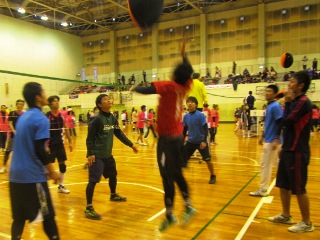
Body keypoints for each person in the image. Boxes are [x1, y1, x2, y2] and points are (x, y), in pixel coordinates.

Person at [130, 44, 196, 232]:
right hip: (172, 138)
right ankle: (174, 212)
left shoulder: (168, 86)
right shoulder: (185, 86)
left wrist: (135, 87)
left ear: (175, 74)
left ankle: (184, 208)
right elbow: (188, 73)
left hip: (169, 139)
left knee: (169, 176)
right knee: (171, 175)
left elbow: (148, 89)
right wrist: (185, 57)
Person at [9, 82, 60, 240]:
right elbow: (39, 150)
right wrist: (52, 172)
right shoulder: (41, 119)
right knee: (48, 216)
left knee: (18, 218)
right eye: (44, 92)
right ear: (38, 98)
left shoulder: (23, 117)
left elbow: (27, 147)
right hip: (31, 177)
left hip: (15, 176)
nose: (46, 96)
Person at [268, 71, 314, 233]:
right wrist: (282, 146)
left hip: (298, 152)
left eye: (293, 81)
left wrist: (287, 104)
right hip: (288, 149)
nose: (289, 84)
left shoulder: (303, 102)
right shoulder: (294, 101)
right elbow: (285, 126)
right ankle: (286, 215)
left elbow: (287, 121)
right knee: (283, 185)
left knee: (299, 188)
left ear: (301, 85)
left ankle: (307, 223)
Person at [84, 94, 138, 220]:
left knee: (113, 174)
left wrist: (131, 144)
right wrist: (90, 153)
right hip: (97, 155)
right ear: (99, 105)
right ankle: (88, 208)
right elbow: (90, 138)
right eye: (105, 99)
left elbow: (119, 133)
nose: (108, 100)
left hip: (107, 155)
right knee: (93, 181)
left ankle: (113, 195)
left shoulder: (112, 117)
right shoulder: (96, 119)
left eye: (109, 98)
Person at [249, 85, 282, 197]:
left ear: (274, 94)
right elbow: (269, 123)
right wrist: (263, 135)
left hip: (272, 141)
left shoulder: (275, 106)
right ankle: (290, 185)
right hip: (269, 139)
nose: (267, 93)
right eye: (266, 90)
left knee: (265, 165)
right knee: (279, 165)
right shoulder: (270, 106)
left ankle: (263, 190)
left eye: (270, 91)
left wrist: (276, 139)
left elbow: (279, 122)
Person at [182, 97, 216, 184]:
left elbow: (205, 129)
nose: (190, 103)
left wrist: (204, 141)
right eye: (188, 102)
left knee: (208, 160)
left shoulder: (200, 115)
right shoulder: (186, 116)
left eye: (192, 102)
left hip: (201, 142)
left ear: (196, 104)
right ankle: (179, 177)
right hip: (190, 142)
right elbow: (184, 129)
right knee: (182, 159)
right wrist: (182, 141)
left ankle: (213, 175)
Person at [47, 95, 73, 194]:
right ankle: (42, 188)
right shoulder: (47, 116)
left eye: (58, 101)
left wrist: (70, 142)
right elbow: (43, 131)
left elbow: (66, 129)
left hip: (59, 144)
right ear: (50, 104)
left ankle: (61, 186)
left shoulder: (61, 115)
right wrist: (45, 146)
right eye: (54, 101)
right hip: (49, 145)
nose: (57, 102)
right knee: (46, 167)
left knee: (63, 166)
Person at [0, 99, 25, 174]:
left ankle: (20, 168)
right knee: (8, 151)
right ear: (16, 105)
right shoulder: (12, 113)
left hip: (21, 137)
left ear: (23, 105)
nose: (19, 105)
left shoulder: (24, 114)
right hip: (12, 136)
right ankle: (4, 167)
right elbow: (10, 123)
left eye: (21, 104)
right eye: (18, 104)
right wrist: (14, 131)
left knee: (22, 153)